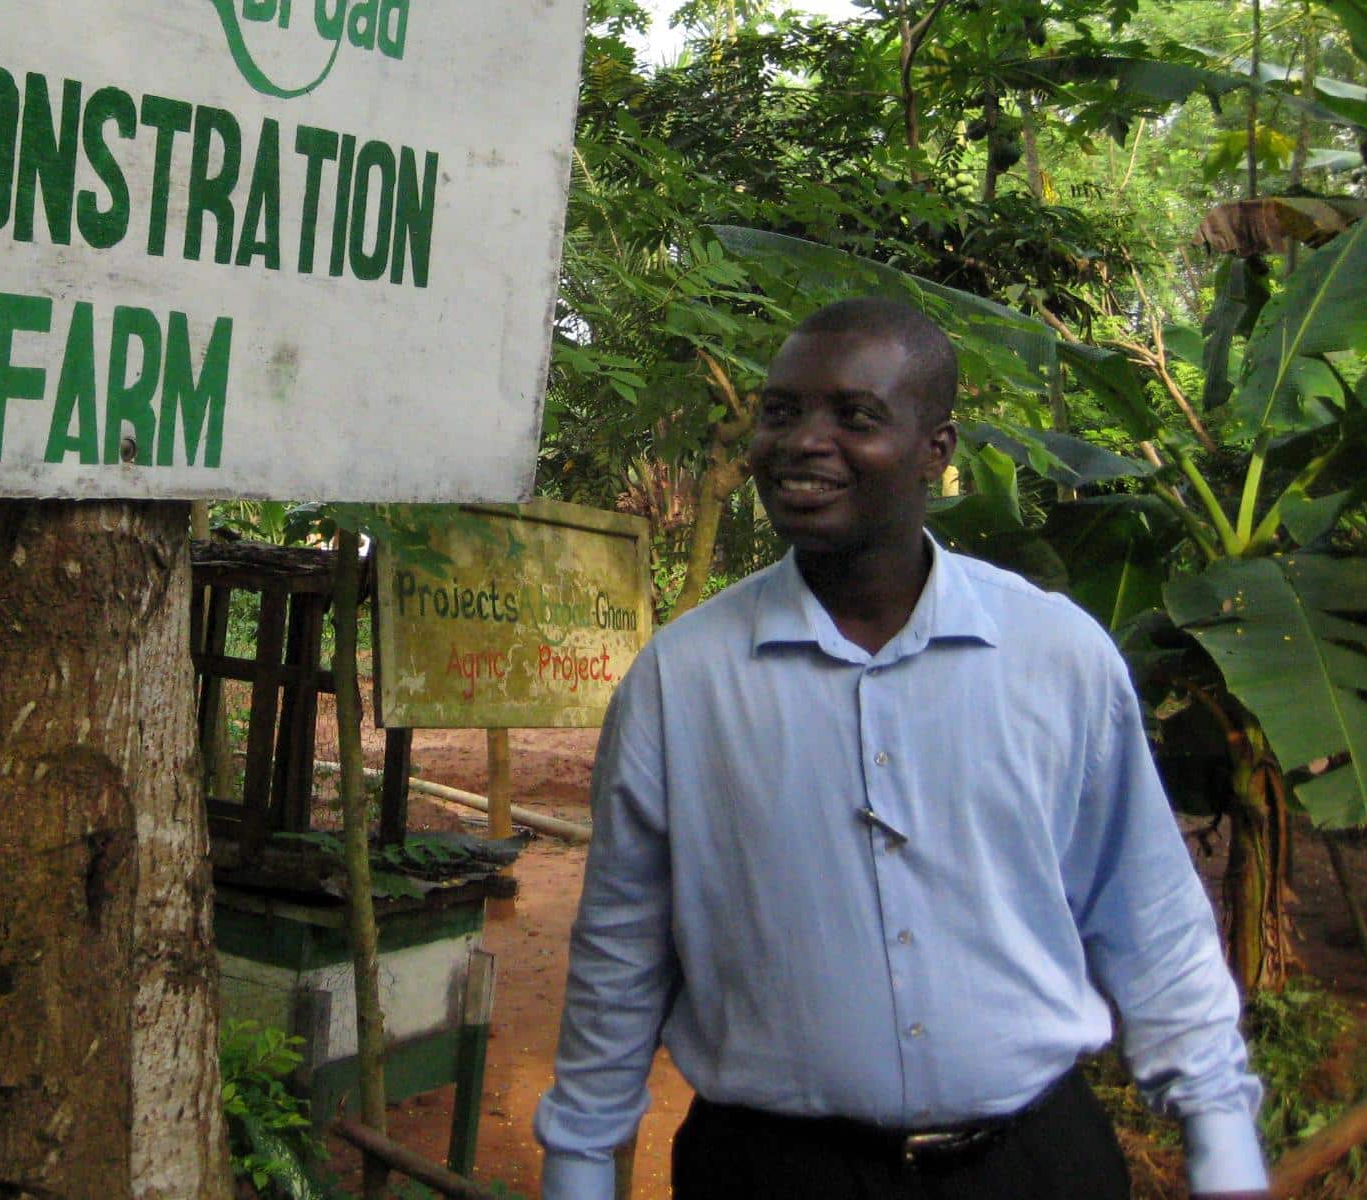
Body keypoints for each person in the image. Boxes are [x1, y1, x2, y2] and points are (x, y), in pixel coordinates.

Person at [534, 297, 1269, 1200]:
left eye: (856, 416)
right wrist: (579, 1166)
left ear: (936, 448)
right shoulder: (681, 683)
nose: (804, 441)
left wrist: (1222, 1141)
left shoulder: (1056, 658)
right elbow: (621, 950)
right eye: (780, 411)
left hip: (1033, 1168)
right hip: (773, 1174)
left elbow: (1147, 918)